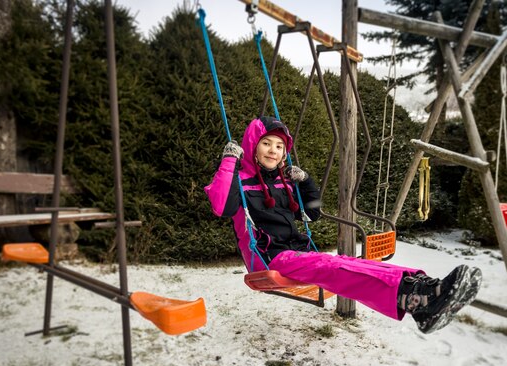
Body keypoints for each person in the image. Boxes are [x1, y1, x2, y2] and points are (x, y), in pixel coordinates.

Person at [205, 116, 481, 334]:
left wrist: (305, 182)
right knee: (336, 268)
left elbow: (311, 214)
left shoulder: (282, 182)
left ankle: (426, 289)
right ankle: (414, 298)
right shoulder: (238, 181)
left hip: (297, 251)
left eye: (280, 146)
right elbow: (222, 207)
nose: (274, 151)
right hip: (269, 258)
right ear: (253, 143)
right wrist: (229, 160)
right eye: (267, 143)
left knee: (353, 263)